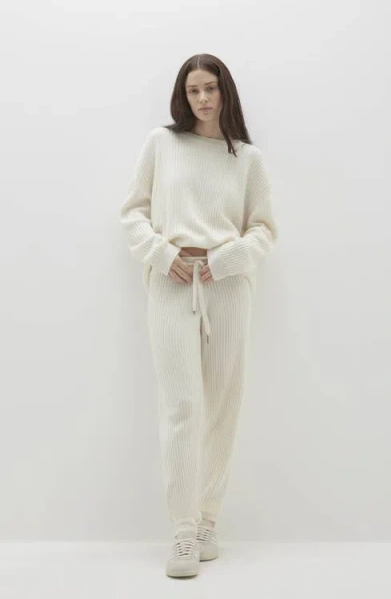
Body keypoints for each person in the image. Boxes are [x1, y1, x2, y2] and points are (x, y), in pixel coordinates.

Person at [120, 53, 278, 578]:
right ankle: (183, 530)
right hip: (171, 284)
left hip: (227, 289)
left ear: (225, 91)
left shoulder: (247, 159)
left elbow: (264, 229)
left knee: (224, 405)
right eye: (194, 90)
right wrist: (163, 254)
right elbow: (133, 213)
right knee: (182, 405)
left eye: (211, 88)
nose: (203, 98)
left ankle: (208, 521)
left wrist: (223, 261)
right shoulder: (161, 145)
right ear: (182, 96)